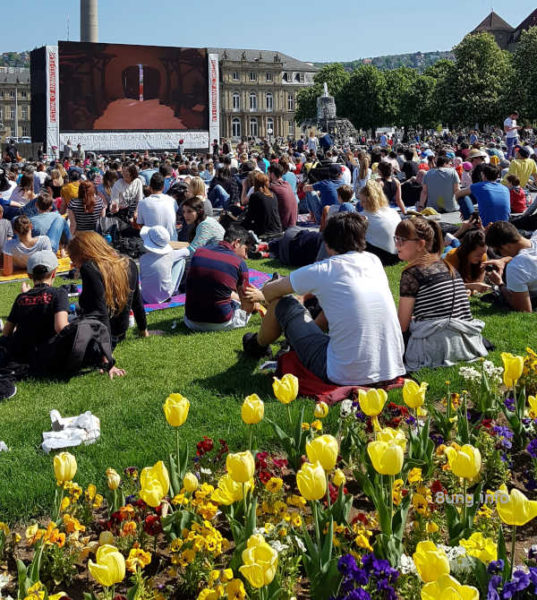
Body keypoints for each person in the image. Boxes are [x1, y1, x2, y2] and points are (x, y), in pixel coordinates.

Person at [242, 212, 406, 386]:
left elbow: (271, 291)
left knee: (283, 303)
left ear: (327, 244)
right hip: (390, 367)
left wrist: (267, 292)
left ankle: (257, 345)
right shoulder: (374, 262)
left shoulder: (324, 269)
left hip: (342, 373)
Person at [395, 217, 487, 370]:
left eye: (402, 240)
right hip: (467, 342)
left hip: (434, 346)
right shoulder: (447, 266)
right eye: (396, 238)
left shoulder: (412, 273)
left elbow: (402, 326)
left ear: (420, 244)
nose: (397, 244)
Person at [68, 232, 148, 345]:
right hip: (120, 330)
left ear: (83, 253)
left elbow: (99, 310)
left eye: (73, 258)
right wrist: (143, 329)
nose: (73, 263)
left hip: (101, 332)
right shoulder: (128, 263)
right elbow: (137, 301)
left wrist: (106, 347)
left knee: (65, 314)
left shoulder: (89, 269)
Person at [184, 225, 256, 332]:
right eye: (246, 250)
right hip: (220, 322)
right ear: (237, 242)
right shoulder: (239, 263)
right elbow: (246, 301)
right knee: (248, 302)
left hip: (190, 320)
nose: (246, 256)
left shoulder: (199, 252)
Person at [485, 221, 537, 312]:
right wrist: (504, 260)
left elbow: (524, 310)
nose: (501, 255)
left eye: (498, 252)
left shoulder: (516, 267)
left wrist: (500, 284)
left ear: (506, 246)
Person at [139, 225, 188, 304]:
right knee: (181, 260)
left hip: (146, 296)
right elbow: (186, 252)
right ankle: (175, 291)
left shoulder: (143, 259)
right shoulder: (171, 255)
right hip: (165, 295)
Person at [359, 180, 400, 266]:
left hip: (383, 257)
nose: (361, 204)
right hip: (398, 254)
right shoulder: (392, 211)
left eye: (363, 201)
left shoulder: (364, 216)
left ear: (370, 201)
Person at [444, 229, 490, 294]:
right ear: (467, 251)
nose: (481, 258)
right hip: (448, 254)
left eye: (484, 253)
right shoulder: (452, 257)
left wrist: (474, 289)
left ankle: (454, 240)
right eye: (478, 255)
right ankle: (452, 240)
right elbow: (448, 284)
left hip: (461, 251)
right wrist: (470, 286)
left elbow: (479, 281)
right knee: (448, 248)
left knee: (457, 244)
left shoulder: (482, 255)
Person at [135, 173, 178, 241]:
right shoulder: (172, 201)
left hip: (153, 242)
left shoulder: (142, 203)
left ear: (150, 187)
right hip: (172, 240)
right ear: (163, 187)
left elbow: (140, 224)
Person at [241, 172, 282, 238]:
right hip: (277, 229)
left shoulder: (255, 196)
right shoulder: (272, 194)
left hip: (265, 231)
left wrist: (240, 225)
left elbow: (249, 217)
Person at [268, 163, 297, 230]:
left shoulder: (273, 187)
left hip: (283, 225)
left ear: (272, 174)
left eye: (268, 173)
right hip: (292, 223)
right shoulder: (287, 184)